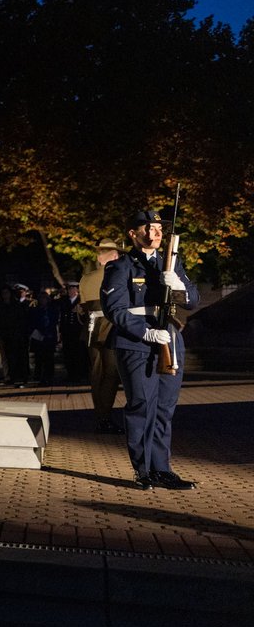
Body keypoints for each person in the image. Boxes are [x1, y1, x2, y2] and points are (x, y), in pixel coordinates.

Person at [102, 210, 199, 491]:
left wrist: (179, 285)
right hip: (136, 343)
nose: (156, 232)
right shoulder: (121, 267)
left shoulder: (170, 264)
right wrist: (143, 330)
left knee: (165, 408)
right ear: (133, 234)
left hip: (168, 340)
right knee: (142, 406)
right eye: (149, 227)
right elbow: (115, 309)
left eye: (159, 228)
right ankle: (143, 470)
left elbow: (193, 299)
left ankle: (162, 468)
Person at [80, 240, 124, 433]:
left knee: (96, 374)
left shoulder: (86, 278)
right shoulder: (117, 276)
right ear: (114, 256)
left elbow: (82, 308)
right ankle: (104, 417)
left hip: (91, 328)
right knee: (111, 375)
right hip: (111, 326)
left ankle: (100, 415)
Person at [28, 289, 60, 386]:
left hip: (49, 336)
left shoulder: (53, 310)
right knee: (39, 358)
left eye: (44, 298)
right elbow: (31, 323)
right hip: (38, 337)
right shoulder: (34, 310)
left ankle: (49, 377)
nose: (43, 301)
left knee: (49, 358)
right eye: (41, 299)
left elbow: (54, 322)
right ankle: (40, 377)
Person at [59, 281, 88, 383]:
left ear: (77, 290)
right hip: (67, 333)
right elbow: (62, 318)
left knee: (79, 355)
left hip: (78, 333)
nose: (71, 291)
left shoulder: (81, 302)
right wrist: (61, 332)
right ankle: (71, 375)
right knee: (68, 355)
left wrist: (81, 312)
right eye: (69, 289)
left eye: (73, 289)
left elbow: (86, 318)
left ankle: (80, 375)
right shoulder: (64, 302)